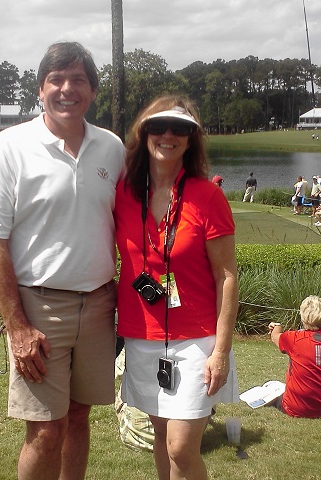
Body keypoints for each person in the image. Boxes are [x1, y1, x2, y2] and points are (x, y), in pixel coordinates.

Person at [0, 41, 125, 480]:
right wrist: (17, 326)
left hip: (99, 304)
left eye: (78, 80)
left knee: (78, 417)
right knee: (45, 429)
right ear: (40, 89)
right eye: (56, 80)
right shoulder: (9, 147)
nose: (66, 89)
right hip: (39, 308)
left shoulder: (111, 148)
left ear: (92, 90)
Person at [115, 95, 239, 480]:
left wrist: (221, 351)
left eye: (180, 128)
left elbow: (227, 276)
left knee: (181, 447)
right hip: (142, 335)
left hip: (197, 340)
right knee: (161, 437)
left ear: (191, 138)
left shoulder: (207, 197)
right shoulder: (123, 193)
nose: (168, 135)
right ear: (144, 132)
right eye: (158, 126)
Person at [268, 296, 321, 418]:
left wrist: (277, 326)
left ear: (304, 318)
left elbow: (275, 336)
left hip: (297, 408)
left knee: (277, 396)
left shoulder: (293, 339)